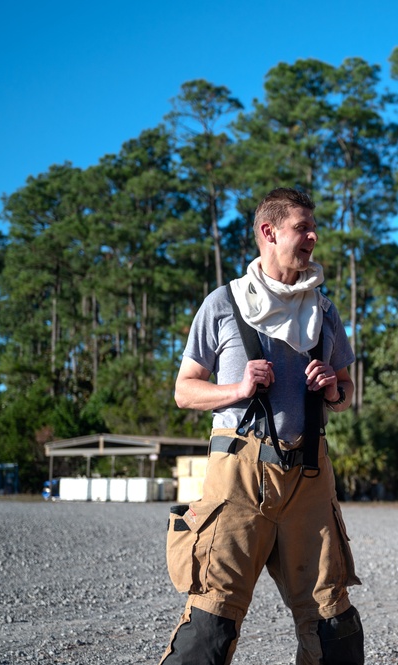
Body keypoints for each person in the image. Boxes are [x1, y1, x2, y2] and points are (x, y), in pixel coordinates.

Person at [159, 188, 363, 665]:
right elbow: (184, 390)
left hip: (310, 477)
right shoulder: (223, 304)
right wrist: (235, 389)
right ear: (269, 233)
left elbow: (347, 392)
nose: (313, 237)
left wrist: (333, 385)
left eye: (314, 228)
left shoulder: (325, 312)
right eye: (302, 228)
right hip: (239, 478)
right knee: (211, 622)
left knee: (332, 623)